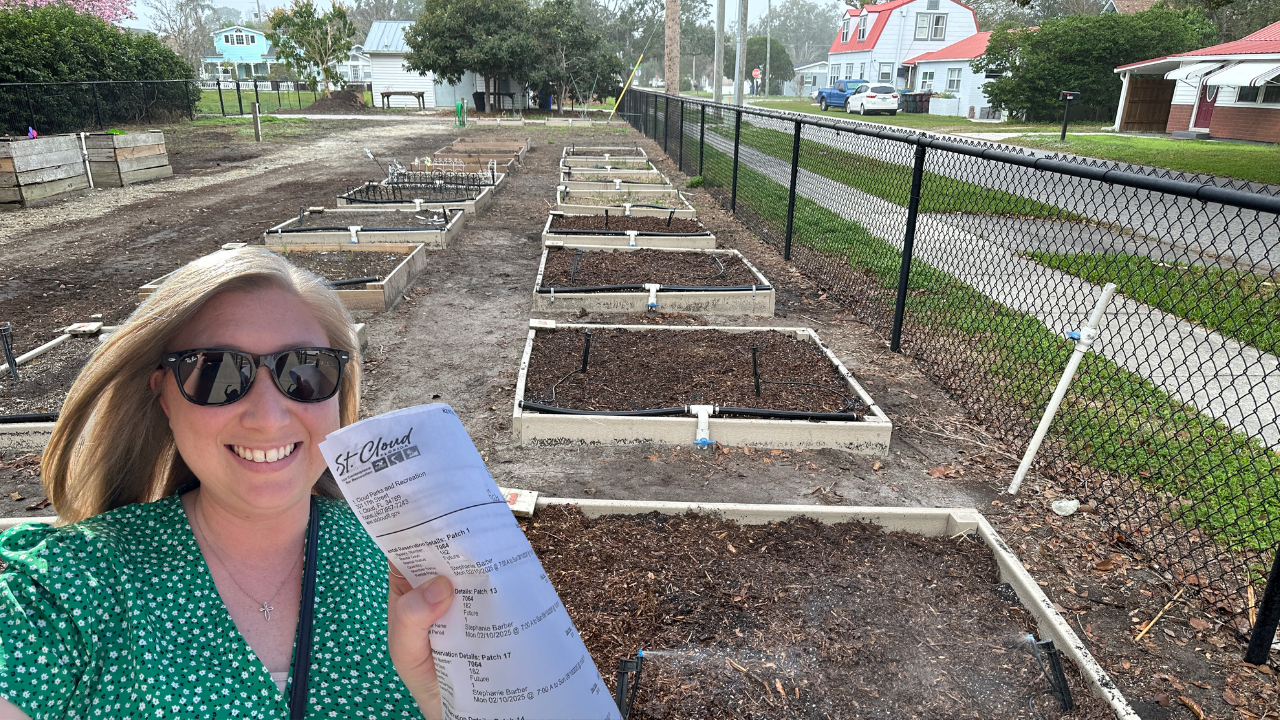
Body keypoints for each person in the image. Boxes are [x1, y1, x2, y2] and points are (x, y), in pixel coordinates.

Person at [0, 248, 455, 720]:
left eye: (304, 371)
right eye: (215, 372)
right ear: (164, 398)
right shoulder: (73, 588)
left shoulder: (411, 560)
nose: (266, 418)